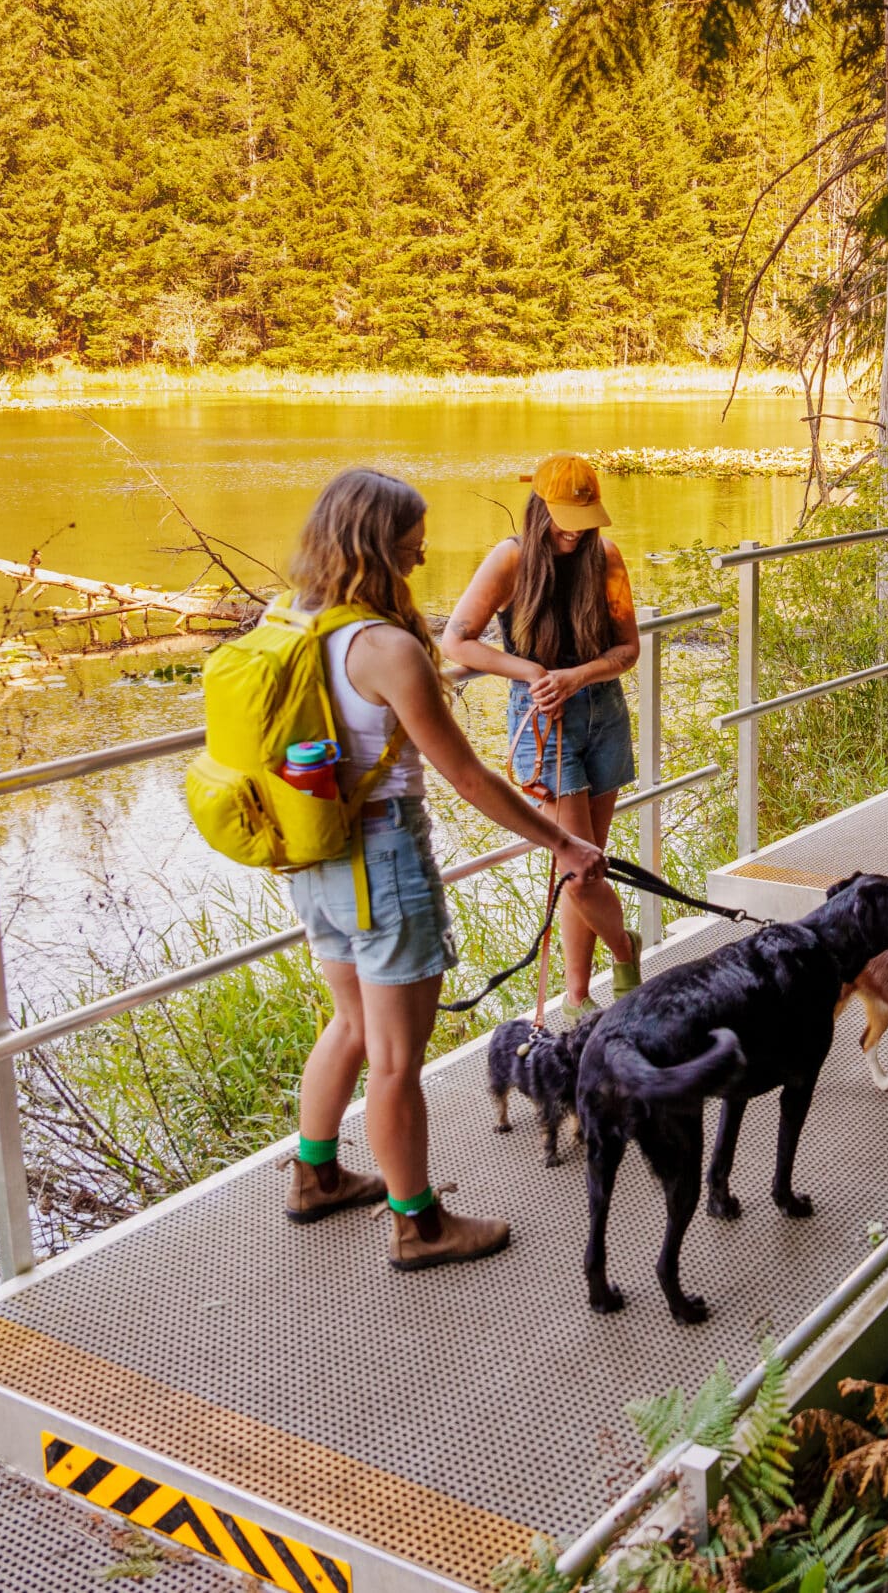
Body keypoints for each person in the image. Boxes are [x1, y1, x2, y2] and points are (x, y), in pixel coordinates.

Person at [282, 467, 641, 1270]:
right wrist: (560, 842)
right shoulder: (390, 649)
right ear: (376, 539)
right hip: (383, 861)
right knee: (397, 1058)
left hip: (318, 857)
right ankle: (418, 1223)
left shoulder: (303, 622)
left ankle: (313, 1175)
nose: (422, 550)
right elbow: (469, 776)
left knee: (346, 1025)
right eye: (412, 535)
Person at [442, 455, 642, 1019]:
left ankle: (577, 999)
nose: (574, 528)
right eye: (564, 516)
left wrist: (578, 675)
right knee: (579, 872)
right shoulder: (510, 559)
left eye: (583, 516)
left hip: (603, 714)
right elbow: (456, 642)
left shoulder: (605, 558)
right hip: (543, 724)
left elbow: (627, 651)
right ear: (539, 506)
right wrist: (529, 672)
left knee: (588, 866)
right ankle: (626, 954)